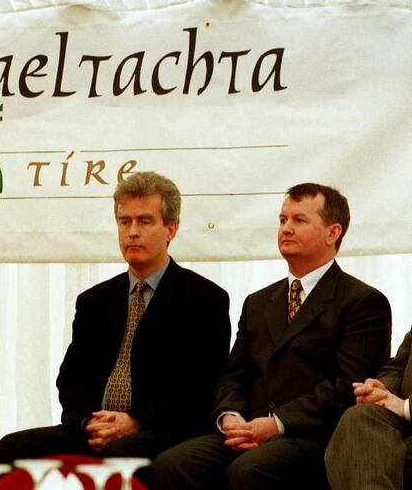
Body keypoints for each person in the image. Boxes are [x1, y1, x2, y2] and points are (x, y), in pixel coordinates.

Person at [151, 183, 393, 490]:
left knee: (249, 472)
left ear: (333, 233)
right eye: (282, 220)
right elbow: (233, 375)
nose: (286, 228)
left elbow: (347, 387)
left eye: (299, 220)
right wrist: (230, 416)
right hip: (247, 430)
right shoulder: (259, 301)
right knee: (172, 466)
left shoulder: (362, 302)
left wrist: (275, 424)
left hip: (312, 436)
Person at [0, 171, 231, 467]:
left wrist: (134, 420)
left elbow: (199, 384)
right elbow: (71, 377)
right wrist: (89, 423)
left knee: (115, 455)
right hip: (97, 428)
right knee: (12, 448)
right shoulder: (94, 300)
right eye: (124, 221)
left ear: (171, 229)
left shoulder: (204, 298)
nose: (132, 232)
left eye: (144, 221)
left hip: (161, 430)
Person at [325, 325, 412, 490]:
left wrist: (406, 406)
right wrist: (382, 391)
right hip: (403, 425)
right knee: (359, 418)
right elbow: (397, 367)